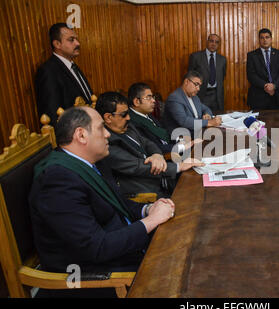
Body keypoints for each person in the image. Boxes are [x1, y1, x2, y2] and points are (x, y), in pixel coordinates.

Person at [29, 106, 175, 297]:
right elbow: (96, 247)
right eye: (101, 128)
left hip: (120, 251)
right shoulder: (57, 181)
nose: (108, 134)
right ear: (81, 135)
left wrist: (148, 209)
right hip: (92, 275)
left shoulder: (92, 162)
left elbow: (117, 204)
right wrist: (151, 221)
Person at [96, 92, 203, 198]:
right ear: (108, 117)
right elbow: (138, 166)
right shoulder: (106, 143)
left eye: (128, 113)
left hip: (161, 178)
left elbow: (147, 143)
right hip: (145, 192)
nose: (128, 117)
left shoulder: (127, 126)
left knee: (199, 182)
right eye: (124, 114)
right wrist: (178, 167)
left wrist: (157, 155)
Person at [35, 23, 93, 125]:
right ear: (57, 44)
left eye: (76, 39)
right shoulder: (48, 71)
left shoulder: (73, 66)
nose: (77, 43)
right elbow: (52, 115)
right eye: (71, 40)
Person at [128, 82, 201, 155]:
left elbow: (164, 132)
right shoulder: (132, 122)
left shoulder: (147, 114)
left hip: (170, 147)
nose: (153, 101)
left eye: (152, 97)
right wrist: (180, 146)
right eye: (148, 97)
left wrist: (180, 140)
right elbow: (151, 148)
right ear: (137, 102)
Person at [163, 71, 222, 137]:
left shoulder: (195, 97)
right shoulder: (175, 98)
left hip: (197, 133)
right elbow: (184, 121)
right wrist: (209, 122)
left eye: (199, 86)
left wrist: (207, 114)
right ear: (186, 82)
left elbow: (205, 108)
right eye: (196, 84)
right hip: (182, 138)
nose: (198, 89)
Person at [246, 28, 279, 110]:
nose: (264, 40)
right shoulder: (252, 55)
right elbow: (251, 75)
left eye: (267, 37)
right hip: (258, 98)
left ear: (271, 39)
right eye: (262, 38)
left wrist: (274, 86)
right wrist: (266, 86)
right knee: (258, 122)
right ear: (259, 40)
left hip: (277, 96)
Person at [188, 34, 227, 113]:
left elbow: (222, 77)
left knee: (217, 120)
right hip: (201, 94)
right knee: (200, 121)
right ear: (207, 42)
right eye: (211, 41)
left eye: (216, 42)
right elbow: (190, 76)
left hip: (217, 96)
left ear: (218, 45)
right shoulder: (196, 57)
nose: (213, 44)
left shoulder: (222, 59)